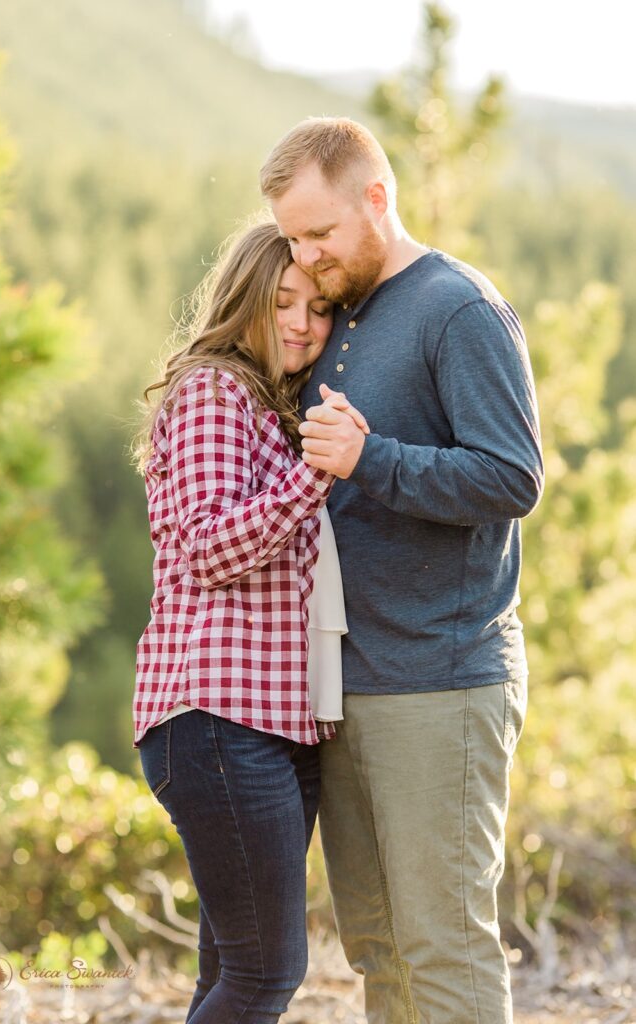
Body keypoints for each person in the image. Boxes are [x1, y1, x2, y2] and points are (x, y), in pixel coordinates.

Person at [261, 118, 544, 1024]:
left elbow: (512, 477)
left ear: (375, 199)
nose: (303, 259)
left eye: (319, 234)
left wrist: (370, 458)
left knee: (443, 946)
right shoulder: (344, 309)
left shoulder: (457, 308)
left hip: (442, 678)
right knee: (377, 947)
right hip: (348, 682)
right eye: (290, 239)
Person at [131, 221, 364, 1024]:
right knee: (265, 975)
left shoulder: (268, 405)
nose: (302, 323)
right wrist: (314, 476)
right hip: (216, 721)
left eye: (321, 306)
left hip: (265, 726)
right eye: (283, 302)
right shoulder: (213, 390)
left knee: (231, 973)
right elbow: (207, 548)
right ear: (242, 302)